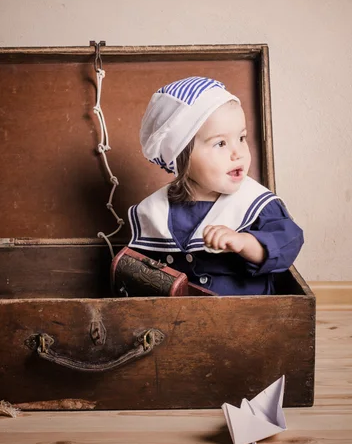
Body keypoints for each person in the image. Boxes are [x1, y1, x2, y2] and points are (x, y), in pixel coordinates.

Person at [128, 76, 303, 295]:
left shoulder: (255, 202)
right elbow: (141, 270)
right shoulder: (156, 209)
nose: (237, 152)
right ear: (182, 157)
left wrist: (245, 243)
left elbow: (288, 242)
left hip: (246, 315)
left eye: (241, 138)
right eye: (220, 143)